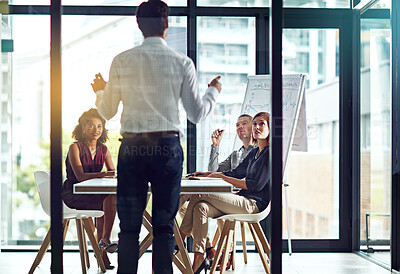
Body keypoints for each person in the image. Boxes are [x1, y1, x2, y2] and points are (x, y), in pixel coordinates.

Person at [90, 0, 221, 273]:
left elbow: (107, 111)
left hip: (133, 148)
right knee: (164, 228)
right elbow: (197, 114)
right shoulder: (182, 62)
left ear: (139, 26)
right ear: (167, 25)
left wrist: (101, 91)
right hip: (167, 149)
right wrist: (213, 91)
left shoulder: (121, 61)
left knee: (128, 229)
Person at [179, 112, 270, 274]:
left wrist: (221, 177)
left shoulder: (270, 153)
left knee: (198, 194)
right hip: (240, 199)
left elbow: (255, 186)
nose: (257, 127)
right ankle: (199, 256)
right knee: (200, 206)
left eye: (261, 124)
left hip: (253, 204)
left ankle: (179, 238)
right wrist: (209, 175)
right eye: (255, 123)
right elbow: (234, 173)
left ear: (271, 128)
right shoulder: (252, 154)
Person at [62, 108, 117, 270]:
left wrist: (109, 174)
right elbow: (79, 176)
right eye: (91, 125)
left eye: (99, 126)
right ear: (83, 128)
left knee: (110, 198)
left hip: (94, 193)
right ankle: (101, 249)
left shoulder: (104, 150)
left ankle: (104, 240)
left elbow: (112, 174)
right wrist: (104, 174)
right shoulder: (75, 148)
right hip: (74, 193)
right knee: (104, 202)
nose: (96, 130)